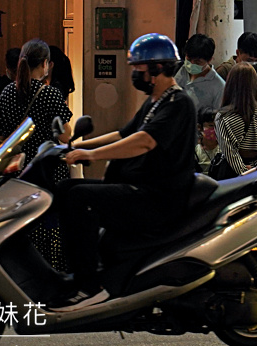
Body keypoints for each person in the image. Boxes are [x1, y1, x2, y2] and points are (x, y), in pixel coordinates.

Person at [61, 33, 199, 309]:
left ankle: (91, 285)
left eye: (139, 68)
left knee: (79, 199)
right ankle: (80, 274)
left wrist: (91, 155)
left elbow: (143, 142)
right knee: (67, 190)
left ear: (157, 69)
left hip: (156, 197)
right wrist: (74, 146)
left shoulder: (178, 103)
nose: (135, 74)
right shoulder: (155, 102)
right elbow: (122, 135)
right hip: (141, 190)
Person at [0, 39, 73, 269]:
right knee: (50, 225)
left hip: (17, 172)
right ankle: (51, 271)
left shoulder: (7, 92)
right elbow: (66, 135)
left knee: (22, 224)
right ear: (46, 64)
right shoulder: (50, 95)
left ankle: (24, 270)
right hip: (47, 171)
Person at [215, 63, 257, 174]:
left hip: (230, 175)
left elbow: (229, 152)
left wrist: (244, 172)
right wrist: (256, 168)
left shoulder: (223, 117)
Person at [175, 33, 226, 117]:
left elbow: (218, 119)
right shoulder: (179, 70)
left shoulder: (219, 87)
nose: (191, 64)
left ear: (209, 60)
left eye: (197, 62)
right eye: (188, 59)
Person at [195, 109, 219, 174]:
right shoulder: (196, 152)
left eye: (218, 125)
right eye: (211, 126)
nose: (215, 129)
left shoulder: (224, 148)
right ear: (199, 127)